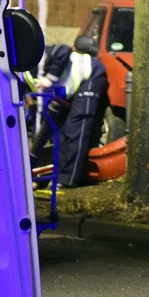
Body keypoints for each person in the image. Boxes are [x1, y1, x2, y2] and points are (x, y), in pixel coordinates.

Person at [26, 34, 107, 188]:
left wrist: (50, 78)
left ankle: (65, 181)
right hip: (65, 93)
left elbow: (63, 50)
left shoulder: (35, 58)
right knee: (60, 133)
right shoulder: (21, 75)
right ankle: (56, 177)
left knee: (75, 130)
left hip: (89, 77)